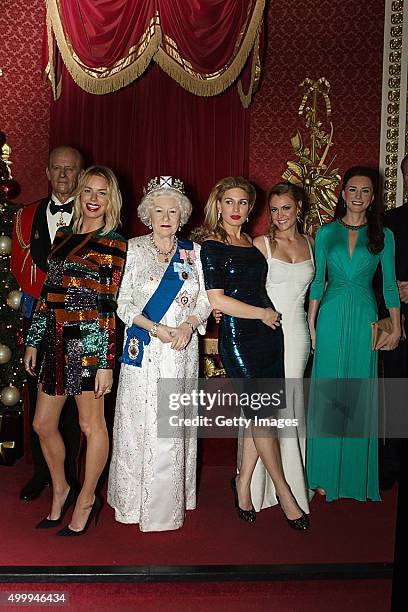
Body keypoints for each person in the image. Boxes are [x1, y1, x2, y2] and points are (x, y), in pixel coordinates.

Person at [200, 176, 309, 530]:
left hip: (270, 337)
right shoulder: (211, 245)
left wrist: (265, 315)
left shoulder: (251, 242)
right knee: (263, 416)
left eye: (243, 203)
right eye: (229, 202)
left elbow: (257, 286)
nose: (236, 209)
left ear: (249, 209)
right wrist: (258, 313)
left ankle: (242, 484)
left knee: (258, 414)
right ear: (218, 205)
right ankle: (285, 492)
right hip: (240, 337)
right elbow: (217, 298)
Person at [23, 166, 126, 535]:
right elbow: (47, 294)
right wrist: (35, 339)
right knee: (42, 424)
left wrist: (103, 363)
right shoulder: (63, 236)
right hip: (54, 339)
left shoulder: (113, 242)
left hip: (87, 342)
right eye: (88, 191)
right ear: (80, 194)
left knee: (89, 424)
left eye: (102, 192)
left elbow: (106, 305)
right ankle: (61, 488)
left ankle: (85, 500)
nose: (94, 199)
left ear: (110, 199)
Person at [107, 176, 211, 532]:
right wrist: (156, 329)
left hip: (181, 350)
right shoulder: (133, 249)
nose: (166, 216)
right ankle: (133, 503)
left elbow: (205, 299)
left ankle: (170, 504)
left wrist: (189, 324)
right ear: (147, 214)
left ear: (182, 216)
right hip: (145, 347)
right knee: (140, 422)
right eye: (159, 210)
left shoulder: (192, 253)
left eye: (173, 210)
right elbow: (122, 303)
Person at [306, 165, 401, 502]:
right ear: (342, 193)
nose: (358, 196)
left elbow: (389, 285)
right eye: (353, 189)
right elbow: (318, 282)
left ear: (373, 197)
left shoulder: (383, 236)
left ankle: (353, 476)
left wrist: (397, 325)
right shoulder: (325, 233)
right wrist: (312, 325)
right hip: (330, 315)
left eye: (365, 191)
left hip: (364, 317)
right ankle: (323, 474)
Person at [11, 146, 84, 501]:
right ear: (47, 171)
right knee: (37, 402)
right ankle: (42, 474)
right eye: (57, 168)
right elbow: (19, 268)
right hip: (37, 323)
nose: (63, 175)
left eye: (70, 170)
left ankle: (68, 477)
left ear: (80, 173)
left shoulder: (93, 215)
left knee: (69, 402)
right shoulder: (26, 216)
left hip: (74, 327)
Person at [241, 181, 314, 514]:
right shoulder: (261, 244)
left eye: (286, 208)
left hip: (298, 333)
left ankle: (289, 482)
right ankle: (253, 483)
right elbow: (244, 289)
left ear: (298, 208)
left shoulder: (313, 244)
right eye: (274, 209)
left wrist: (313, 330)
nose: (280, 215)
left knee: (290, 406)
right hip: (266, 332)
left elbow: (316, 294)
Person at [379, 153, 408, 488]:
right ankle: (392, 463)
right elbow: (373, 275)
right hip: (396, 321)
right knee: (395, 393)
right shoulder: (389, 222)